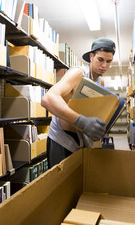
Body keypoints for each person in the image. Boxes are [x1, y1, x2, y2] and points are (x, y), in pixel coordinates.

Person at [41, 37, 116, 167]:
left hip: (81, 139)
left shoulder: (100, 82)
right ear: (91, 56)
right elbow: (48, 99)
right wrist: (82, 121)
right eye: (100, 59)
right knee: (61, 184)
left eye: (109, 61)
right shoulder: (78, 73)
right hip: (62, 139)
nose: (104, 65)